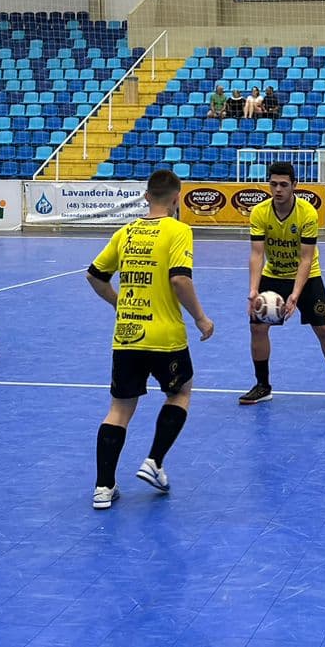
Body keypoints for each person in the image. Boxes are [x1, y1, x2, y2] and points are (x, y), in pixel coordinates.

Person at [86, 169, 214, 510]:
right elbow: (180, 280)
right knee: (181, 390)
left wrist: (119, 303)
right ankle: (154, 461)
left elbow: (95, 275)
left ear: (145, 196)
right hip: (165, 335)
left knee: (119, 409)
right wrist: (201, 318)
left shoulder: (125, 232)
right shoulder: (178, 230)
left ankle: (103, 486)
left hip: (127, 335)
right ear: (176, 199)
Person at [240, 161, 325, 409]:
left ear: (294, 185)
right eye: (273, 184)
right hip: (274, 274)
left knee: (323, 329)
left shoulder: (307, 213)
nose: (278, 189)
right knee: (257, 328)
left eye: (283, 184)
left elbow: (306, 258)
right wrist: (253, 289)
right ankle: (263, 386)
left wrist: (294, 294)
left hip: (308, 276)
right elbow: (257, 254)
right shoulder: (260, 212)